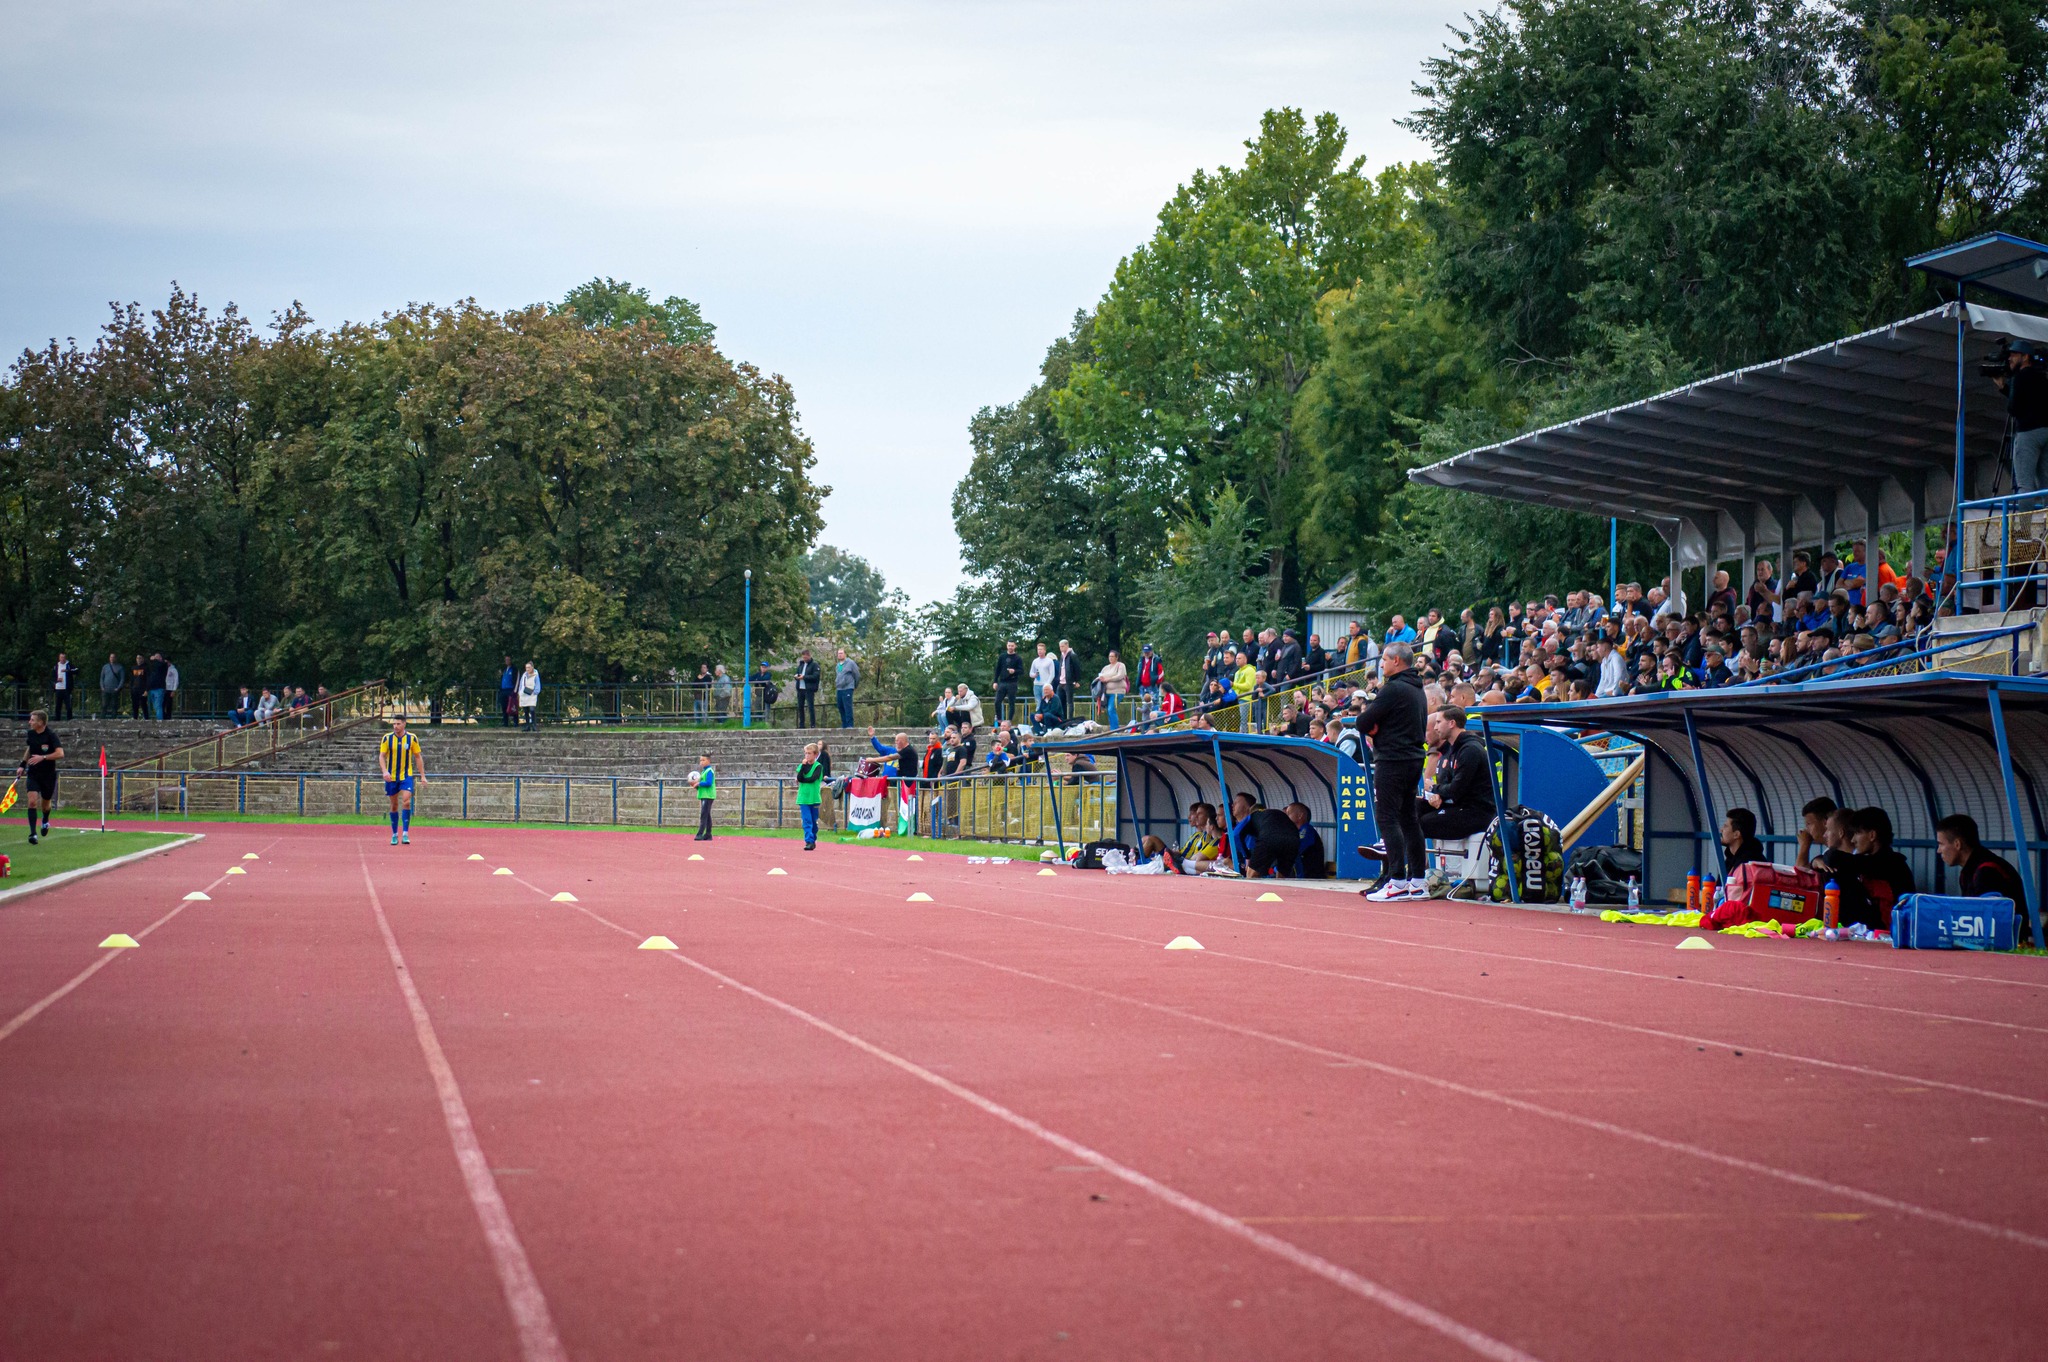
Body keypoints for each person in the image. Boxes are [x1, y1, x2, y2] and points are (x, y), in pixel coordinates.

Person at [1358, 642, 1429, 900]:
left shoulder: (1393, 688)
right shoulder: (1417, 688)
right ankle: (1418, 881)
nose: (1381, 665)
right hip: (1413, 758)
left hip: (1392, 759)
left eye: (1385, 660)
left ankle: (1397, 880)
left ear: (1396, 660)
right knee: (1409, 819)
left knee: (1387, 818)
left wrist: (1373, 728)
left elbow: (1362, 721)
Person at [1935, 813, 2030, 940]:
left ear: (1957, 844)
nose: (1938, 850)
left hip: (2005, 943)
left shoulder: (1987, 871)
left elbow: (1985, 921)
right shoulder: (1968, 871)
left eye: (1941, 844)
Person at [1417, 705, 1495, 844]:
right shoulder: (1451, 750)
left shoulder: (1470, 750)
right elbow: (1447, 785)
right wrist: (1437, 795)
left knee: (1422, 823)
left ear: (1451, 723)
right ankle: (1390, 847)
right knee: (1411, 807)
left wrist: (1434, 788)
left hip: (1476, 812)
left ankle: (1408, 857)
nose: (1436, 728)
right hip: (1457, 805)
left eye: (1438, 722)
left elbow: (1456, 789)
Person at [1995, 340, 2048, 492]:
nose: (2009, 359)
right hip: (2045, 431)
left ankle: (2024, 510)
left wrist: (2008, 387)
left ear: (2025, 357)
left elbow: (2014, 408)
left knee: (2025, 484)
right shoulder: (2042, 377)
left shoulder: (2019, 378)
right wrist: (2004, 388)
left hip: (2028, 434)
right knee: (2045, 482)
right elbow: (2030, 401)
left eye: (2014, 355)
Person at [377, 715, 425, 846]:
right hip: (391, 777)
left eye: (398, 724)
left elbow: (418, 757)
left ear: (404, 724)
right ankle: (394, 834)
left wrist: (422, 776)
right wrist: (384, 771)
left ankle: (405, 833)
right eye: (394, 724)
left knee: (406, 801)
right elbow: (381, 756)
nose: (395, 726)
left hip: (406, 775)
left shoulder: (412, 738)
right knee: (394, 805)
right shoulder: (387, 738)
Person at [1229, 791, 1300, 878]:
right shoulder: (1268, 815)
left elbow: (1235, 835)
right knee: (1282, 877)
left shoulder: (1252, 816)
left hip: (1270, 836)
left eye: (1236, 803)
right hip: (1294, 838)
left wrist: (1247, 857)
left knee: (1251, 876)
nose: (1232, 805)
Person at [17, 709, 63, 844]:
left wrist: (43, 757)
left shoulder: (51, 735)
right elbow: (30, 749)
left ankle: (45, 820)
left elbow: (60, 754)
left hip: (48, 775)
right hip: (33, 773)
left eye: (32, 720)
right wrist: (22, 765)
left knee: (45, 806)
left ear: (41, 722)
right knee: (32, 801)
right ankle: (33, 834)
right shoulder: (31, 734)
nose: (29, 722)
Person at [796, 742, 825, 850]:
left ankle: (813, 839)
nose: (807, 756)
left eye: (809, 753)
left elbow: (813, 778)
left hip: (814, 798)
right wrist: (803, 766)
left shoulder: (818, 766)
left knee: (813, 821)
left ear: (815, 754)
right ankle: (809, 841)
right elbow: (799, 777)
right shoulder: (802, 766)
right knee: (807, 820)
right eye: (806, 753)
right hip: (803, 798)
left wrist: (803, 780)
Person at [1179, 802, 1223, 873]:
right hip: (1196, 862)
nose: (1196, 816)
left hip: (1218, 867)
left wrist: (1185, 861)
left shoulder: (1217, 840)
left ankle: (1183, 866)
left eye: (1199, 814)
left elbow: (1199, 858)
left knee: (1191, 864)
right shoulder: (1201, 835)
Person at [1285, 802, 1325, 879]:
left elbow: (1295, 849)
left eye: (1288, 813)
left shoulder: (1307, 831)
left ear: (1300, 815)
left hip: (1310, 879)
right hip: (1302, 877)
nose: (1286, 816)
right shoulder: (1297, 832)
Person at [992, 641, 1024, 724]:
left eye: (1012, 646)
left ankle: (1009, 720)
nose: (1010, 647)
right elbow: (997, 669)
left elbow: (1021, 671)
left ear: (1015, 646)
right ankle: (999, 720)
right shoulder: (1002, 656)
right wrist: (995, 681)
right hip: (1002, 682)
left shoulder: (1018, 658)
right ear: (1007, 646)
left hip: (1012, 682)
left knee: (1011, 702)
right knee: (997, 701)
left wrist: (1014, 671)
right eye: (1009, 645)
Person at [1097, 650, 1129, 728]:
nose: (1110, 658)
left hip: (1117, 692)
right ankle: (1113, 727)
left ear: (1116, 657)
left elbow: (1120, 676)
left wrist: (1108, 679)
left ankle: (1115, 729)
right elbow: (1100, 676)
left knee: (1111, 709)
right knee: (1108, 711)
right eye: (1109, 656)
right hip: (1106, 692)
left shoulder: (1120, 665)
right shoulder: (1105, 668)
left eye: (1112, 656)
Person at [793, 649, 822, 727]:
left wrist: (804, 677)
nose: (804, 659)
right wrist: (796, 677)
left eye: (805, 657)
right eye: (803, 657)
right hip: (800, 688)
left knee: (810, 706)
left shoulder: (814, 665)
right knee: (800, 707)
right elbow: (797, 673)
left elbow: (815, 676)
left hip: (809, 689)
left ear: (809, 656)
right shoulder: (801, 665)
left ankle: (812, 724)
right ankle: (801, 724)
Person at [1055, 640, 1083, 720]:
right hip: (1061, 682)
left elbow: (1077, 668)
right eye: (1060, 647)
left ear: (1067, 645)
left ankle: (1070, 719)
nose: (1061, 648)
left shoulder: (1072, 655)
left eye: (1062, 646)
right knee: (1060, 701)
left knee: (1069, 702)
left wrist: (1076, 681)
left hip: (1068, 682)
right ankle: (1063, 719)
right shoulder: (1062, 656)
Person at [691, 753, 716, 840]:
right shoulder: (703, 772)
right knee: (707, 815)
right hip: (704, 795)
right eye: (700, 760)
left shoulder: (709, 771)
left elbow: (709, 783)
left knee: (704, 815)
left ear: (708, 761)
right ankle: (708, 834)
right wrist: (696, 786)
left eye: (703, 760)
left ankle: (700, 834)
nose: (701, 762)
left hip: (708, 796)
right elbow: (702, 785)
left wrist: (699, 783)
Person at [834, 648, 859, 727]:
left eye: (841, 653)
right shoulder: (838, 665)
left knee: (847, 707)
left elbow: (857, 674)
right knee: (840, 706)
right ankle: (844, 725)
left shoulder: (851, 663)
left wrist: (854, 685)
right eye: (838, 653)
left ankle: (850, 725)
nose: (840, 655)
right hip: (839, 688)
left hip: (848, 688)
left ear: (845, 654)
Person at [1136, 644, 1164, 713]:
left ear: (1151, 652)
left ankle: (1156, 718)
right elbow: (1139, 672)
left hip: (1152, 686)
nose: (1146, 654)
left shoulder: (1156, 660)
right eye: (1145, 652)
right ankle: (1146, 719)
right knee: (1144, 704)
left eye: (1148, 652)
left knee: (1154, 703)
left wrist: (1156, 681)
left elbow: (1161, 673)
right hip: (1143, 686)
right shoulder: (1141, 661)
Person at [144, 651, 168, 721]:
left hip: (159, 688)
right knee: (155, 706)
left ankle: (160, 721)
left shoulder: (163, 664)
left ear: (161, 658)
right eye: (155, 657)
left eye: (158, 657)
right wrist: (147, 689)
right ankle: (161, 718)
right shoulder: (152, 666)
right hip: (151, 688)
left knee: (158, 706)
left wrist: (154, 660)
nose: (156, 658)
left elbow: (159, 665)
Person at [50, 653, 75, 721]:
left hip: (66, 688)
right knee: (58, 704)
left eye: (64, 657)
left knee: (68, 705)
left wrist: (67, 671)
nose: (63, 659)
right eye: (61, 657)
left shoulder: (69, 665)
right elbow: (52, 677)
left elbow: (76, 670)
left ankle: (69, 718)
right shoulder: (56, 666)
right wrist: (56, 680)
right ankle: (57, 718)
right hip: (58, 688)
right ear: (59, 658)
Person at [99, 653, 123, 719]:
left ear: (116, 658)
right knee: (104, 705)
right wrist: (102, 687)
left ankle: (113, 719)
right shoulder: (105, 667)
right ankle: (102, 719)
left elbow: (122, 679)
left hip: (114, 689)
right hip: (105, 689)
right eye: (111, 657)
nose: (112, 658)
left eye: (113, 657)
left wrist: (118, 688)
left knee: (114, 706)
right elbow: (102, 678)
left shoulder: (120, 667)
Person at [518, 661, 541, 728]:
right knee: (525, 710)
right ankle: (527, 725)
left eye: (529, 667)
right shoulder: (524, 675)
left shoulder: (535, 675)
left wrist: (535, 692)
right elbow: (521, 684)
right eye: (526, 667)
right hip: (524, 694)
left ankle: (534, 725)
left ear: (532, 668)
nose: (527, 669)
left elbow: (537, 685)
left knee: (532, 709)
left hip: (532, 694)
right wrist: (520, 692)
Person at [498, 656, 517, 727]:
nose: (507, 661)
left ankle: (515, 722)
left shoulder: (514, 669)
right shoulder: (504, 669)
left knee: (513, 706)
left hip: (510, 689)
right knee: (504, 706)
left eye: (508, 660)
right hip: (503, 690)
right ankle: (505, 722)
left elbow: (516, 679)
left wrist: (515, 690)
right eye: (506, 660)